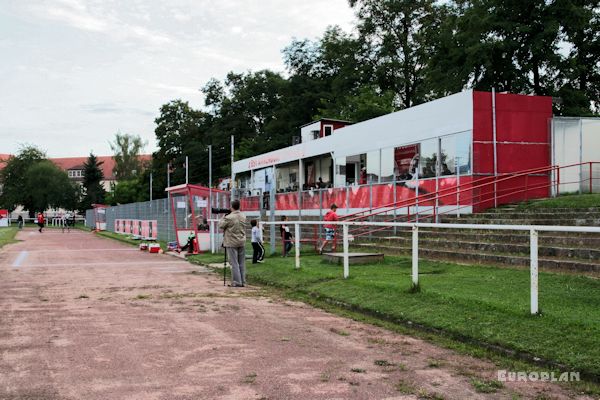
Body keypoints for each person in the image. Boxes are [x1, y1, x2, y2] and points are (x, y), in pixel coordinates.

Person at [219, 200, 247, 287]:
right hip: (241, 241)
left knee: (234, 263)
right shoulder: (243, 216)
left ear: (232, 207)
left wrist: (224, 216)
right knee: (241, 262)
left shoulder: (229, 217)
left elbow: (220, 225)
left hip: (231, 242)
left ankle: (236, 282)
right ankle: (243, 281)